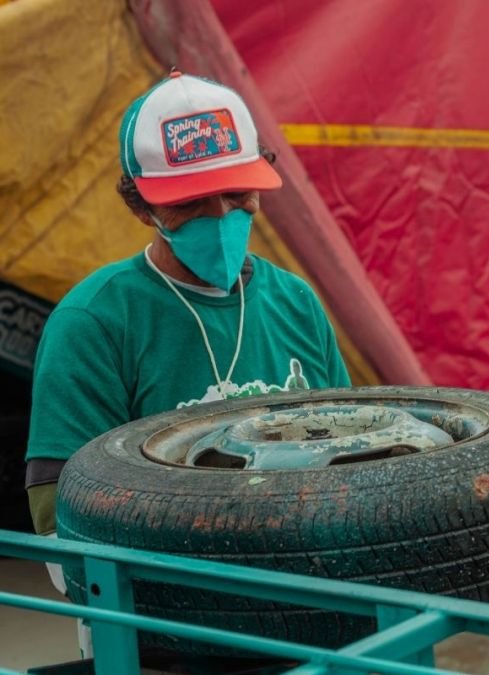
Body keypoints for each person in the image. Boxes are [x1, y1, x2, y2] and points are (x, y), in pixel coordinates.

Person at [25, 70, 351, 538]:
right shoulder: (94, 322)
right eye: (191, 200)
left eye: (237, 193)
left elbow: (347, 455)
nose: (220, 215)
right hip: (164, 602)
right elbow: (61, 519)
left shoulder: (295, 301)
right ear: (141, 208)